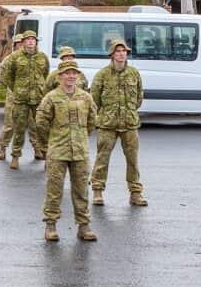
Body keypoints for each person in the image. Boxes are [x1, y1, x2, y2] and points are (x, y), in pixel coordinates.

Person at [35, 59, 98, 242]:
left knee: (81, 190)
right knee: (54, 190)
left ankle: (83, 226)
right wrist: (50, 143)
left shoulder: (85, 97)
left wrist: (81, 137)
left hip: (80, 151)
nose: (71, 76)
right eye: (67, 73)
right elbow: (41, 123)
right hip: (58, 151)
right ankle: (51, 225)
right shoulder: (51, 98)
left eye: (74, 73)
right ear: (60, 76)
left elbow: (92, 121)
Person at [90, 39, 147, 207]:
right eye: (118, 51)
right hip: (108, 125)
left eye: (124, 51)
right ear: (112, 54)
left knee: (132, 160)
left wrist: (128, 111)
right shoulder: (102, 75)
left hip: (129, 124)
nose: (122, 54)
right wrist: (105, 115)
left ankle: (135, 193)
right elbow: (94, 100)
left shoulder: (134, 74)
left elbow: (139, 98)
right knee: (102, 158)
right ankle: (98, 191)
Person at [0, 29, 49, 169]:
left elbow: (45, 75)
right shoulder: (15, 57)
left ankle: (46, 156)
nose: (31, 42)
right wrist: (16, 88)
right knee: (18, 128)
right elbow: (6, 76)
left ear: (36, 42)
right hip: (21, 99)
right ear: (23, 42)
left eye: (33, 39)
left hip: (38, 99)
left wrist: (41, 88)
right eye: (28, 39)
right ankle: (15, 156)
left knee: (41, 128)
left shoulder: (42, 57)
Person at [0, 33, 24, 161]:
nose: (21, 46)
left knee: (34, 125)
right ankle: (2, 148)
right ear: (15, 45)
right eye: (18, 43)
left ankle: (38, 148)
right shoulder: (10, 59)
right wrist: (13, 87)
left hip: (30, 97)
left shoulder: (34, 58)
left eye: (23, 43)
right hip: (13, 95)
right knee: (9, 124)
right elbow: (3, 76)